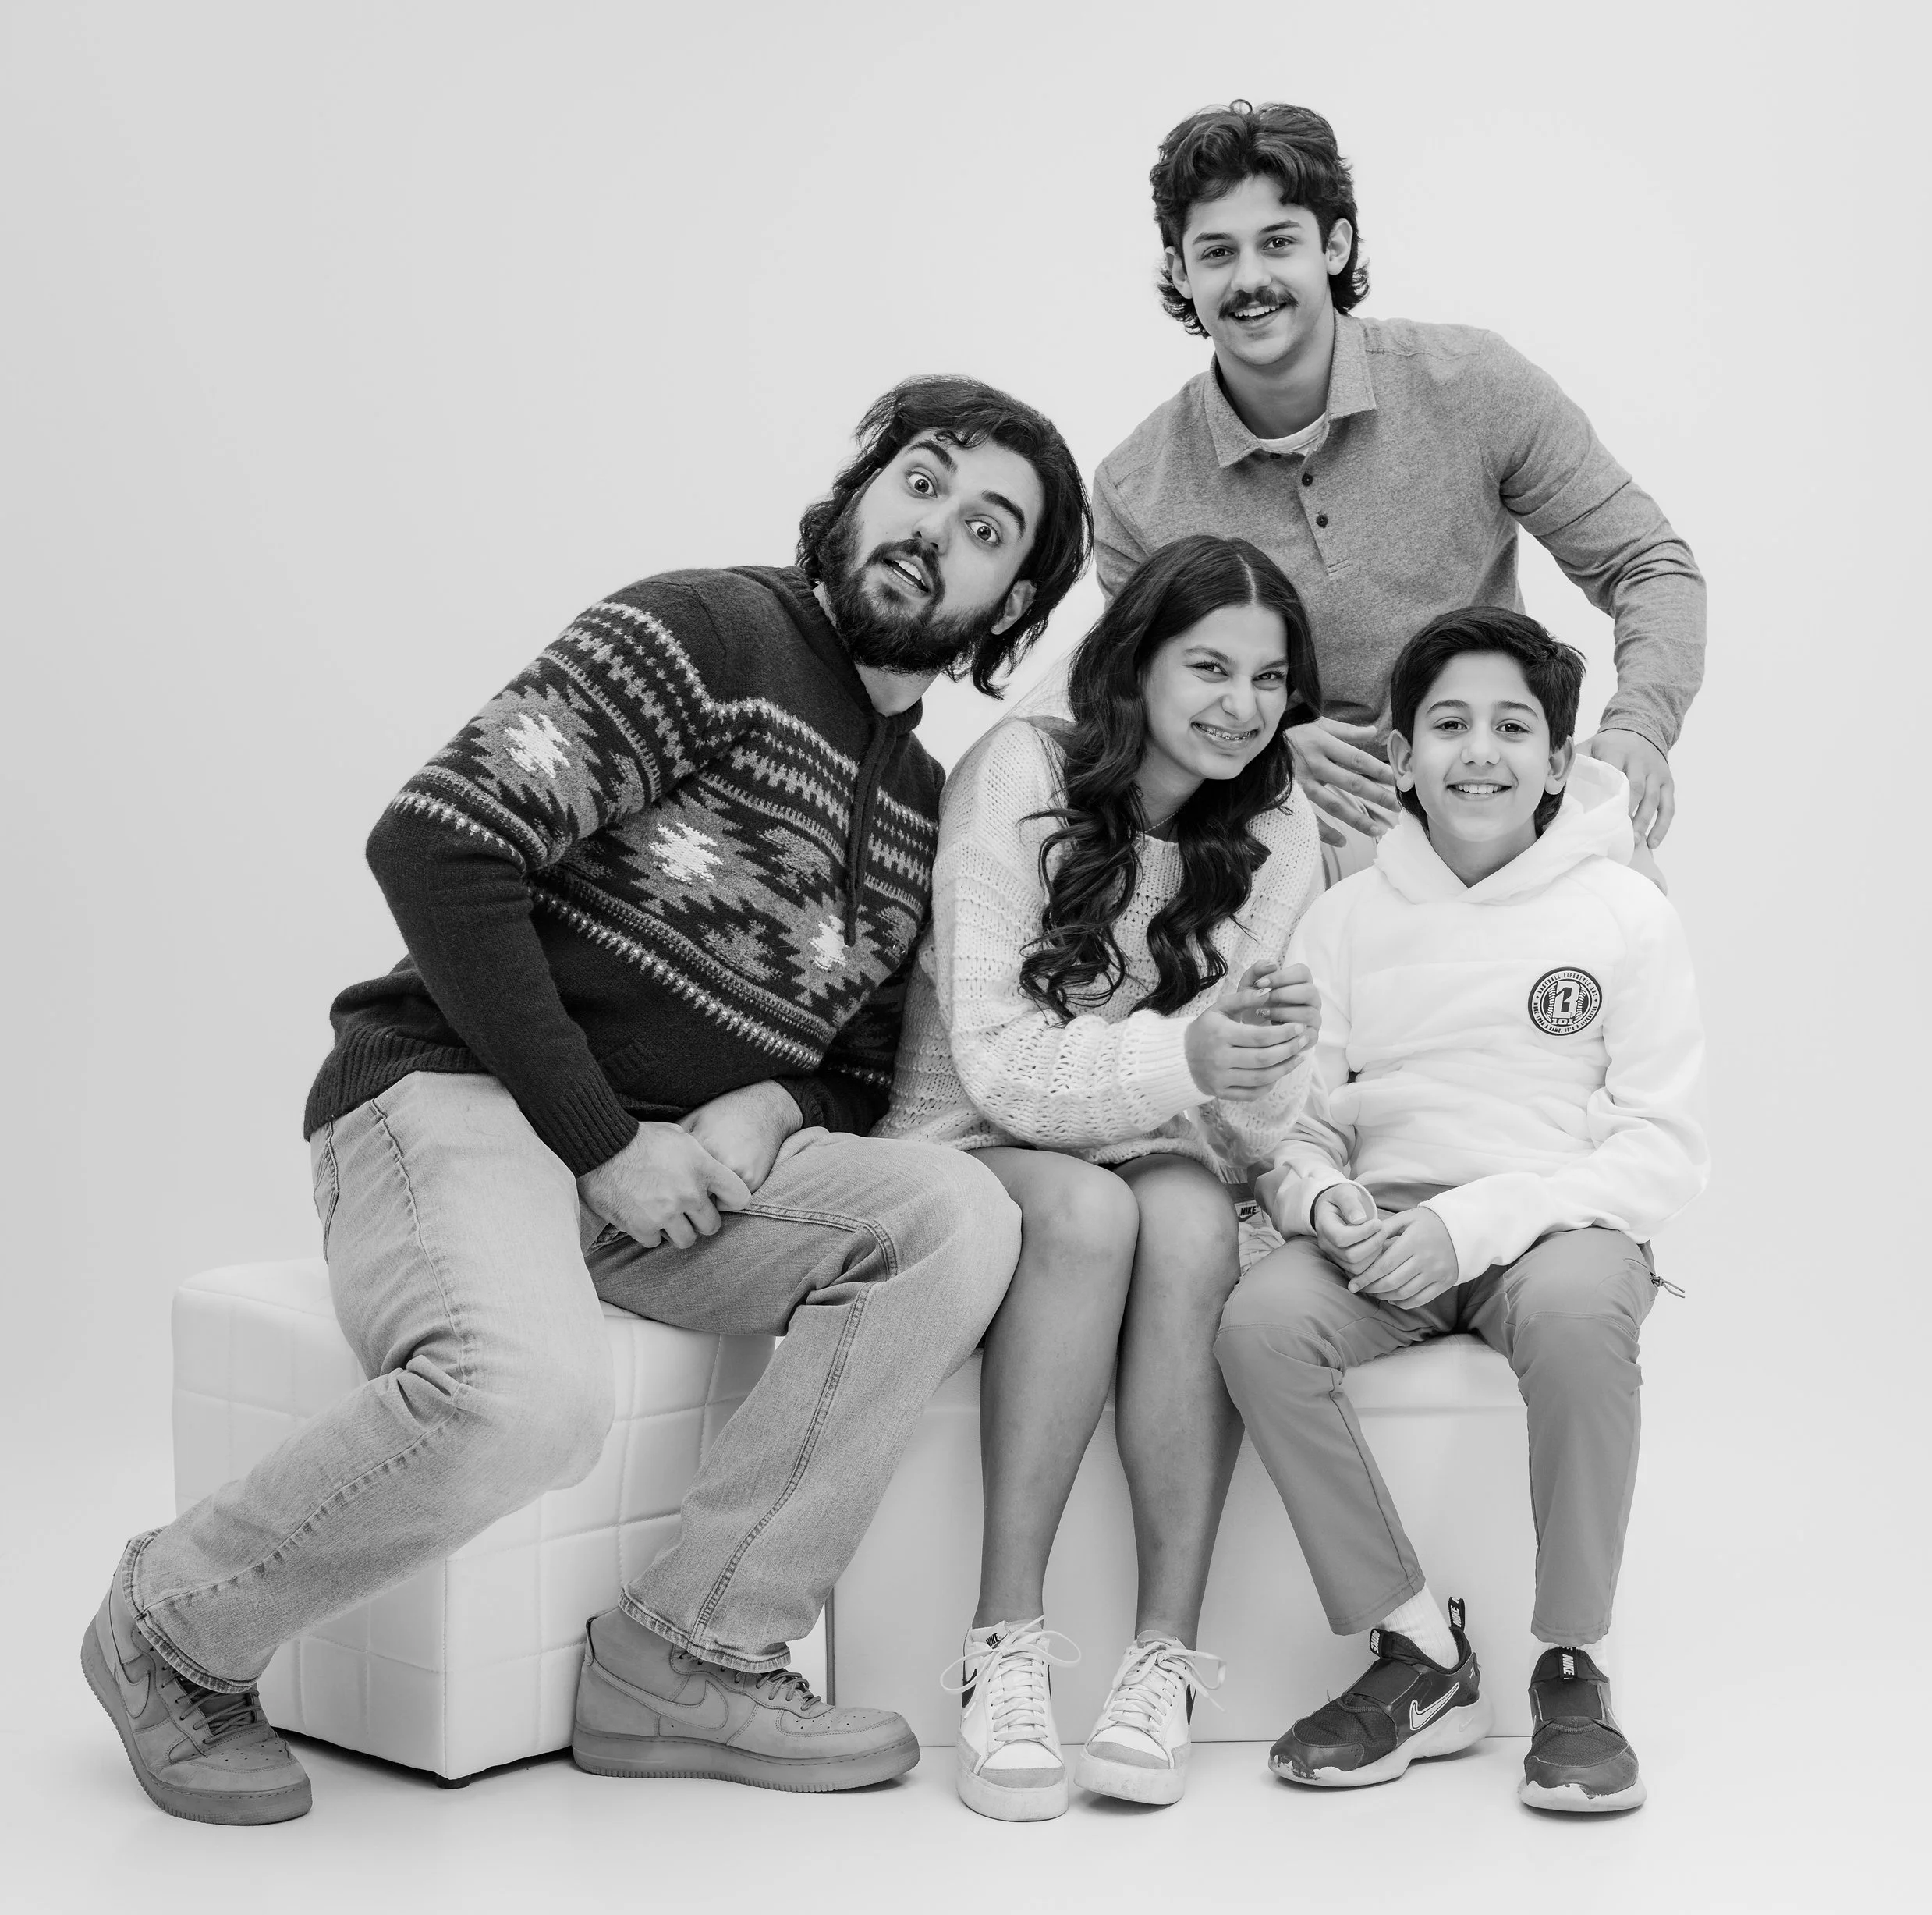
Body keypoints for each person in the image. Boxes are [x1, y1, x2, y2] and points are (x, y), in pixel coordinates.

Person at [82, 374, 1091, 1825]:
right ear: (860, 489)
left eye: (988, 528)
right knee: (529, 1403)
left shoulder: (925, 800)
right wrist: (603, 1144)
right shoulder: (710, 630)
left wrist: (761, 1112)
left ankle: (688, 1653)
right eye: (921, 482)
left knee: (954, 1214)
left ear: (1010, 610)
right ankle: (170, 1630)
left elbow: (861, 1068)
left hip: (672, 1175)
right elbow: (438, 848)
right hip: (453, 1095)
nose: (936, 529)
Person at [1217, 606, 1708, 1814]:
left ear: (1555, 761)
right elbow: (1301, 1115)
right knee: (1259, 1328)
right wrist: (1320, 1196)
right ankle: (1419, 1655)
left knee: (1588, 1310)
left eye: (1511, 726)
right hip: (1381, 1236)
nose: (1478, 751)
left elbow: (1663, 1150)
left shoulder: (1624, 913)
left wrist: (1476, 1223)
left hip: (1554, 1232)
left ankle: (1573, 1667)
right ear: (1400, 758)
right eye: (1447, 725)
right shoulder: (1345, 919)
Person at [879, 534, 1326, 1819]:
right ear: (1136, 664)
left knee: (1192, 1227)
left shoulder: (1281, 821)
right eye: (1210, 667)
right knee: (1085, 1212)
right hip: (969, 1130)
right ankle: (1002, 1642)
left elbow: (1243, 1132)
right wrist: (1191, 1051)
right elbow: (997, 1065)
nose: (1242, 706)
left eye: (1269, 677)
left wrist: (1269, 1061)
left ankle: (1161, 1662)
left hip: (1157, 1136)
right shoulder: (1021, 771)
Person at [1094, 101, 1705, 885]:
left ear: (1335, 243)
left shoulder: (1471, 383)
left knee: (1627, 898)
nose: (1250, 280)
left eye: (1278, 243)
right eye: (1216, 252)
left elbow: (1648, 563)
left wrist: (1640, 727)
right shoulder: (1133, 490)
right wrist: (1269, 737)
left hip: (1492, 784)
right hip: (1292, 827)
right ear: (1180, 271)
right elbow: (1136, 701)